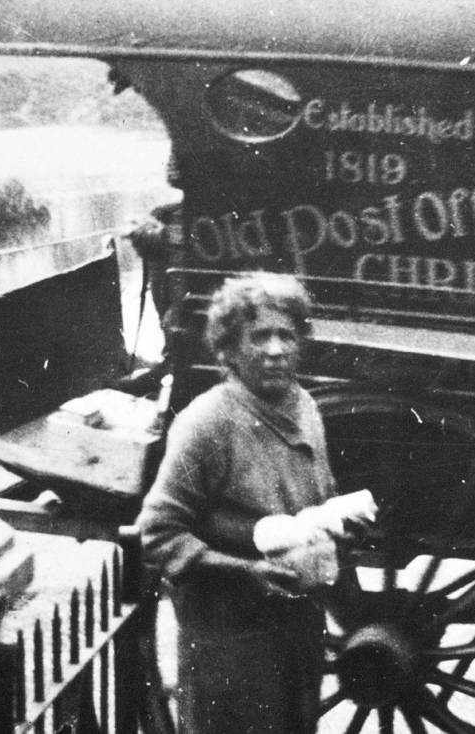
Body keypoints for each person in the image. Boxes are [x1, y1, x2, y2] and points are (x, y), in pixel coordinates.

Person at [137, 272, 337, 734]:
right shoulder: (207, 424)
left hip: (297, 638)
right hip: (230, 640)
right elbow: (159, 533)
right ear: (228, 348)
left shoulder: (304, 407)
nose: (275, 350)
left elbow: (319, 496)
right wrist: (245, 572)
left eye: (286, 335)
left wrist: (337, 524)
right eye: (259, 336)